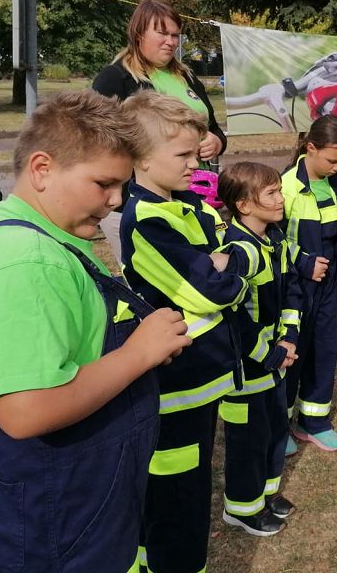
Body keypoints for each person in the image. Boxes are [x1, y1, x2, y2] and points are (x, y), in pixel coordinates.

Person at [0, 90, 190, 572]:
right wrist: (139, 353)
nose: (116, 201)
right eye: (103, 183)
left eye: (122, 185)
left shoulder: (43, 238)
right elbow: (26, 410)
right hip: (48, 523)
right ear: (42, 168)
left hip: (69, 507)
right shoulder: (27, 264)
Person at [119, 92, 255, 573]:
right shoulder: (147, 221)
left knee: (189, 487)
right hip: (176, 389)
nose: (195, 163)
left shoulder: (186, 204)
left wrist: (226, 261)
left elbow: (230, 250)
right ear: (141, 157)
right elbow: (211, 291)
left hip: (202, 381)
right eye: (182, 154)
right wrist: (233, 267)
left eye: (196, 152)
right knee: (176, 499)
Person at [92, 0, 227, 259]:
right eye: (162, 33)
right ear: (138, 33)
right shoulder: (115, 78)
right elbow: (97, 144)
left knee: (199, 272)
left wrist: (216, 142)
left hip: (194, 201)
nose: (171, 42)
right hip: (140, 207)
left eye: (175, 35)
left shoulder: (185, 76)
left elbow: (214, 128)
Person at [216, 162, 301, 537]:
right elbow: (233, 318)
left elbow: (292, 287)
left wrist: (290, 335)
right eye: (272, 193)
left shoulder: (275, 239)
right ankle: (241, 508)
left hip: (276, 360)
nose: (281, 199)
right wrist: (269, 353)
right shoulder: (235, 252)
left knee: (274, 430)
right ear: (244, 205)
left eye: (279, 190)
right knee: (248, 441)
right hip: (248, 368)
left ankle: (265, 495)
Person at [281, 115, 337, 453]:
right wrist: (303, 264)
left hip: (330, 285)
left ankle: (313, 422)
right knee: (293, 354)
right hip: (297, 290)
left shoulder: (336, 185)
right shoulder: (285, 187)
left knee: (324, 351)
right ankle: (280, 427)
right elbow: (273, 240)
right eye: (332, 160)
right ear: (310, 148)